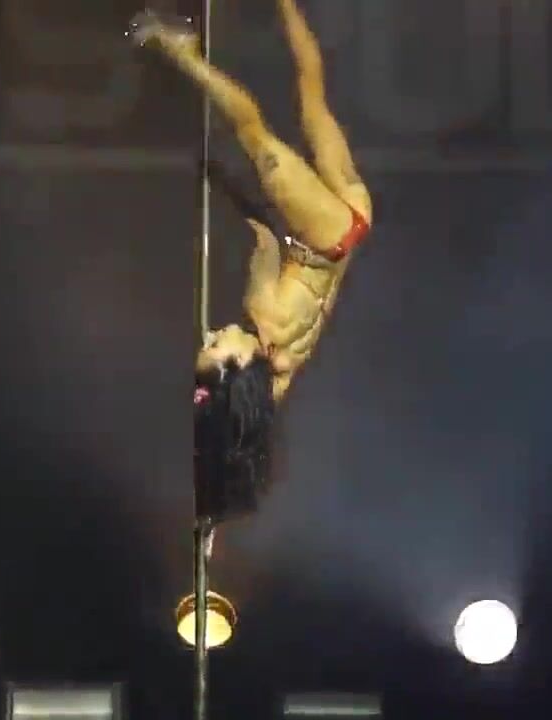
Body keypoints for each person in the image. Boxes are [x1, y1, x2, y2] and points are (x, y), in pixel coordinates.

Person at [132, 0, 374, 524]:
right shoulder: (263, 315)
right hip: (325, 235)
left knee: (312, 90)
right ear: (235, 366)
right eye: (216, 344)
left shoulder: (271, 386)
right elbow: (266, 241)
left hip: (350, 224)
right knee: (252, 132)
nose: (215, 333)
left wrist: (211, 508)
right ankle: (184, 53)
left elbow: (239, 435)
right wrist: (235, 195)